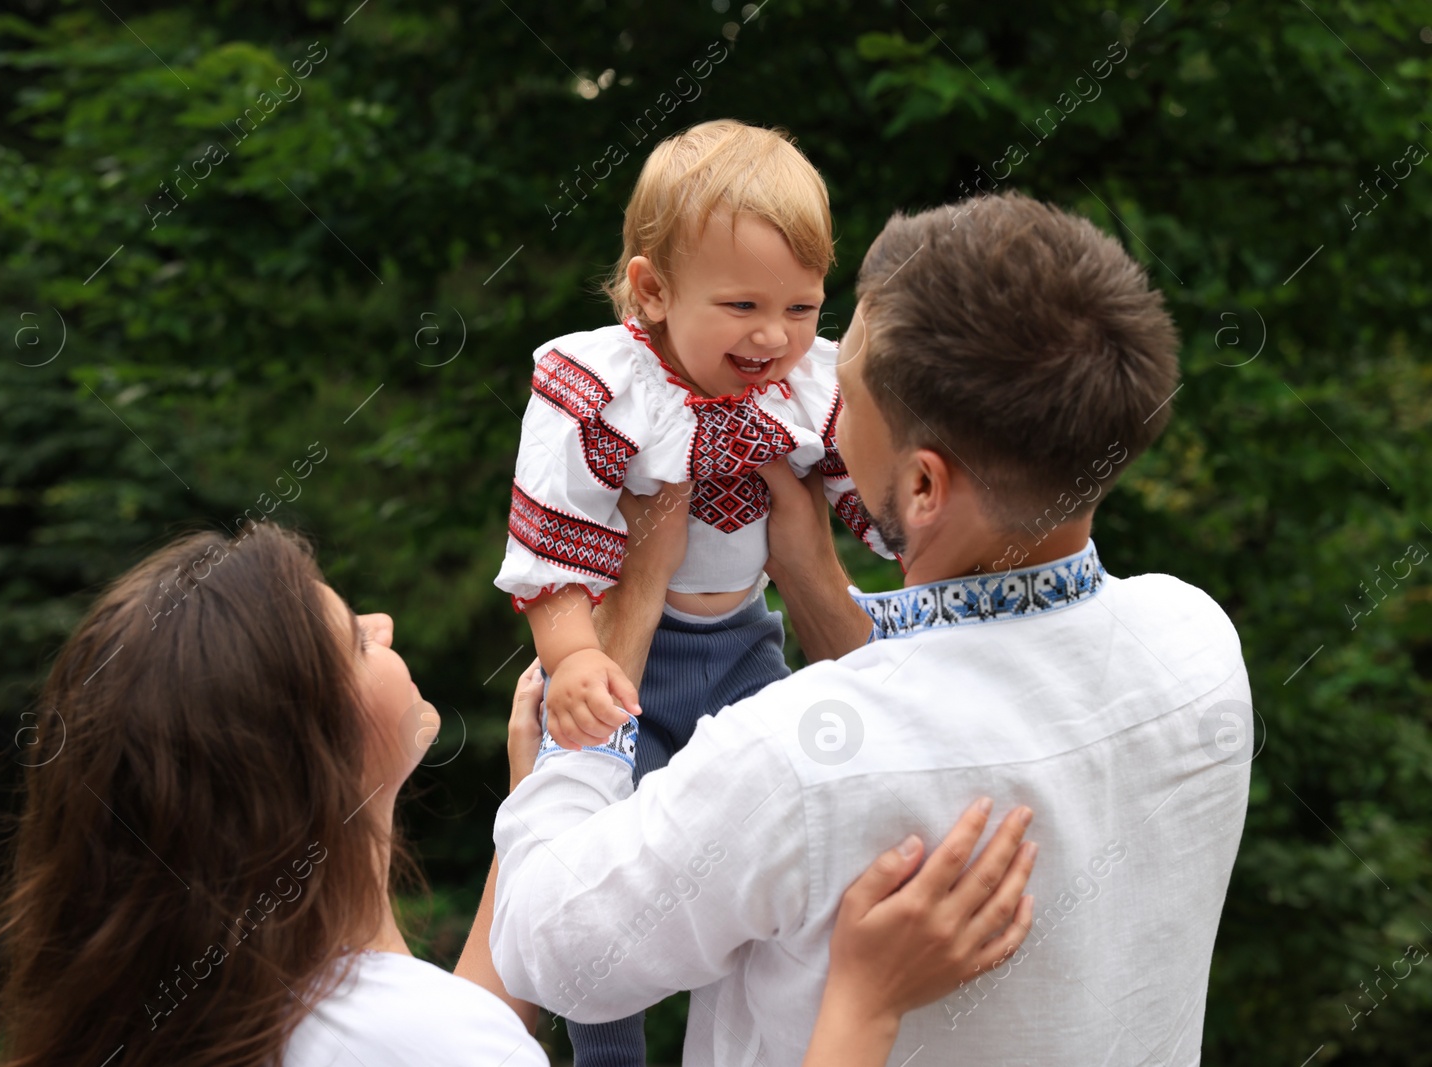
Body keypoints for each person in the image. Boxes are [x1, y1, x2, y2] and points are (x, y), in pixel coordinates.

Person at [489, 192, 1253, 1065]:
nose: (816, 419)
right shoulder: (1198, 644)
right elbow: (944, 672)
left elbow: (552, 952)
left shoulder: (789, 760)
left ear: (923, 487)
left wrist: (576, 743)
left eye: (842, 399)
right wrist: (813, 574)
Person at [0, 519, 1036, 1067]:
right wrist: (865, 1001)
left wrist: (538, 807)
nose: (382, 624)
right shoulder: (415, 1042)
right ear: (311, 750)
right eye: (352, 635)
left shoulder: (242, 1004)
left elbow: (442, 1020)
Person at [497, 120, 888, 1060]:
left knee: (775, 843)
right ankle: (607, 1052)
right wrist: (574, 656)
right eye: (744, 303)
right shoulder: (600, 386)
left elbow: (869, 497)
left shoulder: (807, 383)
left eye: (802, 306)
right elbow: (553, 534)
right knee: (594, 860)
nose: (774, 335)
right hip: (630, 656)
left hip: (750, 644)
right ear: (653, 290)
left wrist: (883, 538)